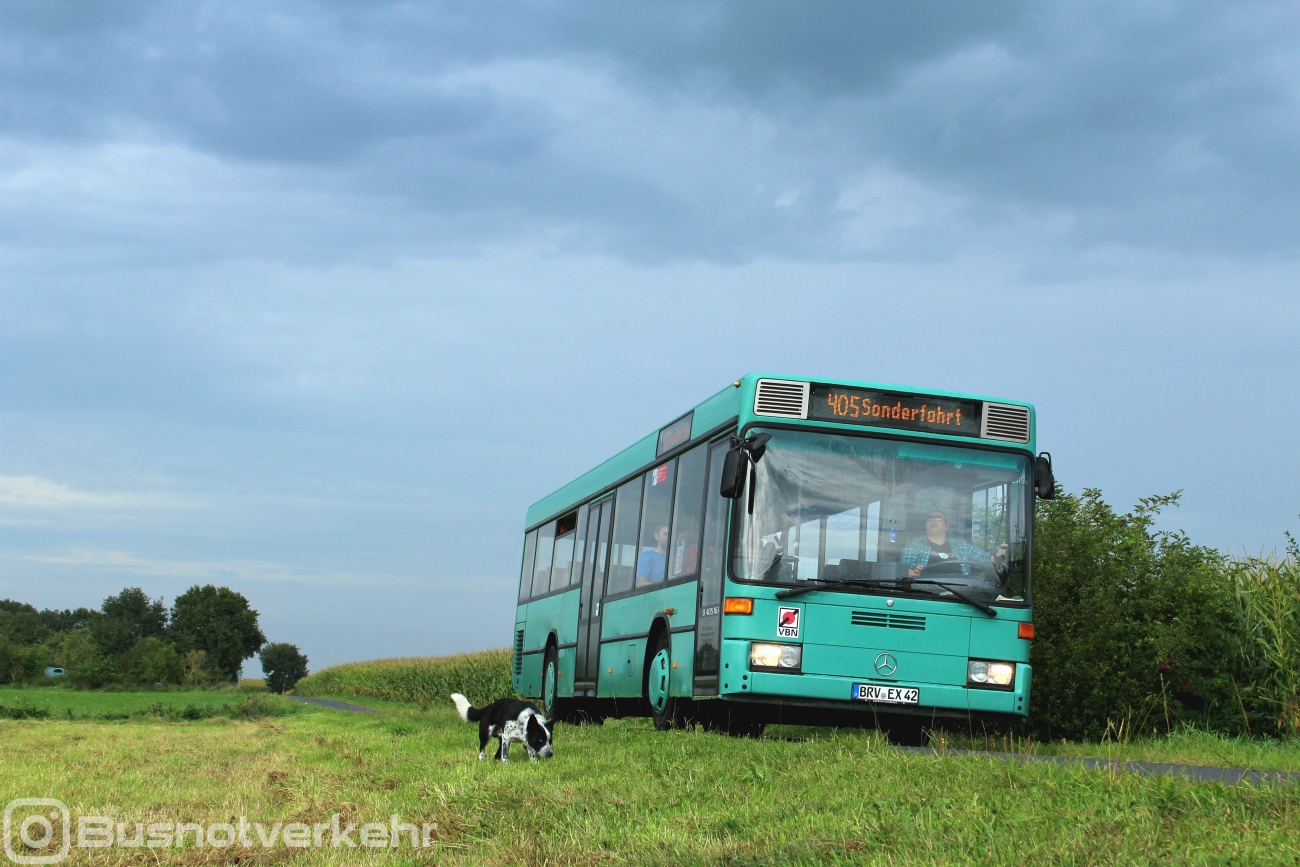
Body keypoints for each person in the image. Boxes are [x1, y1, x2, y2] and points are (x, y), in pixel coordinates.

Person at [899, 508, 1005, 577]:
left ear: (946, 526)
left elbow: (987, 560)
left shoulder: (961, 546)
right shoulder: (914, 545)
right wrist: (917, 574)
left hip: (962, 596)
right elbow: (902, 572)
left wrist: (1002, 556)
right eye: (929, 518)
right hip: (925, 595)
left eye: (938, 518)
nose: (933, 520)